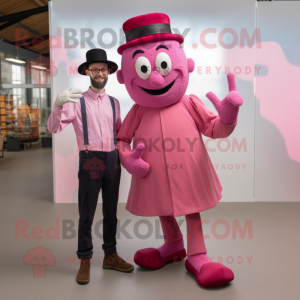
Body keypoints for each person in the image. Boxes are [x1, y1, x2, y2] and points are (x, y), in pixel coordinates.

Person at [47, 48, 134, 285]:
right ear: (87, 71)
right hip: (90, 159)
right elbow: (53, 128)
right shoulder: (76, 102)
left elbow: (121, 136)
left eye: (103, 69)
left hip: (112, 160)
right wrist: (57, 105)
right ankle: (85, 259)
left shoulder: (115, 103)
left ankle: (110, 255)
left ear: (108, 72)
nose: (99, 73)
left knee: (111, 212)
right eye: (94, 69)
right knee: (86, 213)